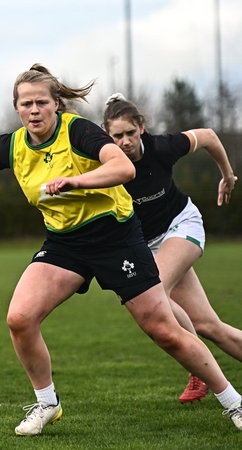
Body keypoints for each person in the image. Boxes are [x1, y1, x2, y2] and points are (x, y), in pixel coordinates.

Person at [0, 64, 242, 435]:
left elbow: (123, 168)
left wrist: (75, 181)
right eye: (26, 103)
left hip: (117, 238)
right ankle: (47, 403)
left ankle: (234, 404)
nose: (34, 110)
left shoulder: (79, 131)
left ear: (56, 105)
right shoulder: (12, 145)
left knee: (163, 329)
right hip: (66, 244)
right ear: (17, 108)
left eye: (42, 103)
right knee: (20, 317)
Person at [103, 93, 241, 403]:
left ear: (142, 127)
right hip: (148, 246)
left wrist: (227, 174)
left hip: (182, 225)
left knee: (154, 294)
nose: (125, 141)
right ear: (107, 137)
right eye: (117, 136)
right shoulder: (105, 162)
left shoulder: (161, 147)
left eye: (130, 133)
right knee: (209, 325)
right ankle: (197, 356)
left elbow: (208, 136)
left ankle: (197, 368)